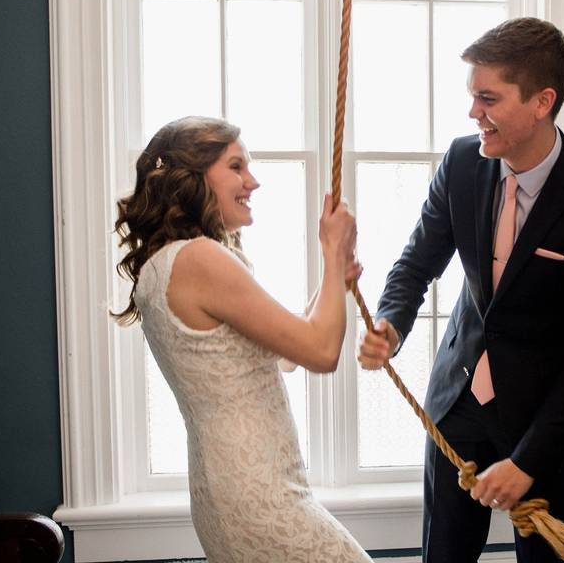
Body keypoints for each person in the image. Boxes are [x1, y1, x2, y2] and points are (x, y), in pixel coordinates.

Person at [358, 18, 564, 563]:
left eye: (488, 98)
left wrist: (529, 460)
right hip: (456, 404)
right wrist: (390, 325)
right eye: (471, 96)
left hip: (544, 423)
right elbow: (417, 262)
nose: (472, 113)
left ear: (541, 101)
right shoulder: (462, 164)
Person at [112, 116, 372, 563]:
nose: (253, 181)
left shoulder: (168, 261)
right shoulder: (199, 259)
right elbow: (322, 352)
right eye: (236, 167)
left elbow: (282, 353)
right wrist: (331, 254)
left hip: (228, 492)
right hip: (259, 495)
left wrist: (335, 279)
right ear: (192, 178)